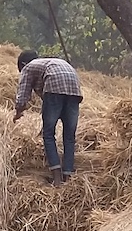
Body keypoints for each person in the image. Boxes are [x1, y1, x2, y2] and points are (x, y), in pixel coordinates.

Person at [11, 48, 83, 182]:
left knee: (48, 134)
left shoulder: (28, 67)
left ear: (23, 64)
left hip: (54, 88)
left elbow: (23, 92)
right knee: (69, 136)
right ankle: (67, 174)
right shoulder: (52, 62)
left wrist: (18, 111)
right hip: (75, 90)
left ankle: (56, 177)